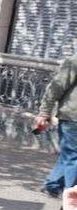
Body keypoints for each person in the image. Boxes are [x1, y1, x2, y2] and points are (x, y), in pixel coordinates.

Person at [34, 51, 77, 198]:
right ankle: (71, 195)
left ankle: (52, 185)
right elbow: (55, 87)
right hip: (73, 118)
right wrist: (44, 112)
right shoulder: (74, 61)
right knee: (73, 156)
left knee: (70, 154)